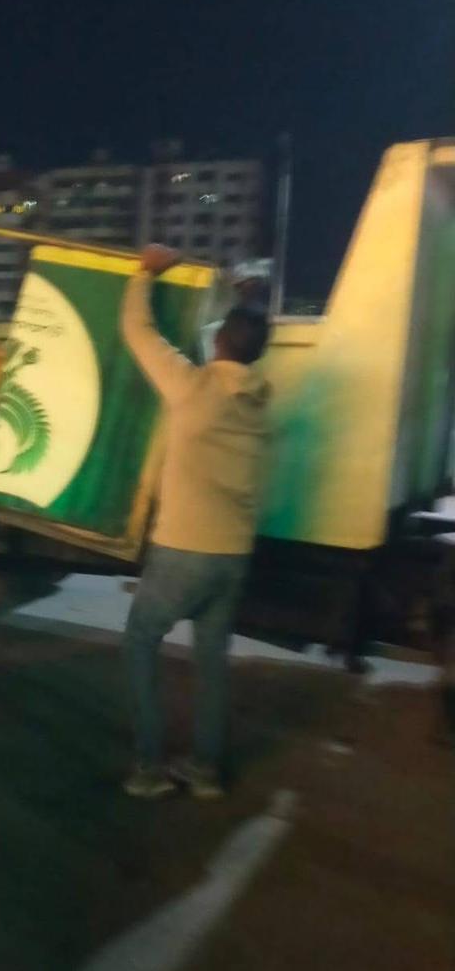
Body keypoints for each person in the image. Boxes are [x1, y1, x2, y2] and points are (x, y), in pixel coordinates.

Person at [119, 246, 271, 799]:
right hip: (233, 555)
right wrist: (245, 299)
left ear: (218, 342)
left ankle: (149, 768)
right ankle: (205, 771)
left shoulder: (193, 387)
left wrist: (146, 272)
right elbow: (247, 340)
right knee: (211, 661)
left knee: (140, 641)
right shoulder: (259, 404)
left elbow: (137, 331)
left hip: (184, 548)